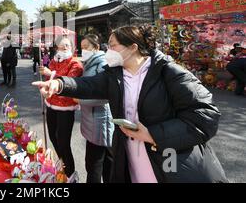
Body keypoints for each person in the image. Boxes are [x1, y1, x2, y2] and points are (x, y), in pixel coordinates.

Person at [33, 25, 227, 183]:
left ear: (132, 47)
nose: (107, 51)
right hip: (131, 158)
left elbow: (206, 116)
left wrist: (153, 134)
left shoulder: (168, 72)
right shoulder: (114, 74)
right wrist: (58, 84)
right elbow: (88, 84)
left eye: (112, 45)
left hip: (170, 160)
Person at [39, 36, 83, 177]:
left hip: (66, 107)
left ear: (71, 47)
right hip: (51, 104)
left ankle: (70, 173)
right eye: (61, 45)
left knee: (64, 142)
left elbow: (69, 82)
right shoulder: (53, 60)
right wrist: (44, 86)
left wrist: (50, 73)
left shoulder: (75, 63)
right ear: (56, 48)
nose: (64, 48)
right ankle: (61, 164)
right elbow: (48, 81)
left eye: (67, 45)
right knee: (53, 136)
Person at [79, 34, 114, 183]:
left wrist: (78, 99)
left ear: (97, 47)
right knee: (100, 162)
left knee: (95, 165)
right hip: (91, 122)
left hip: (100, 122)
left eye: (86, 47)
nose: (83, 50)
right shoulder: (89, 63)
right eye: (81, 48)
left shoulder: (102, 65)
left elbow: (105, 96)